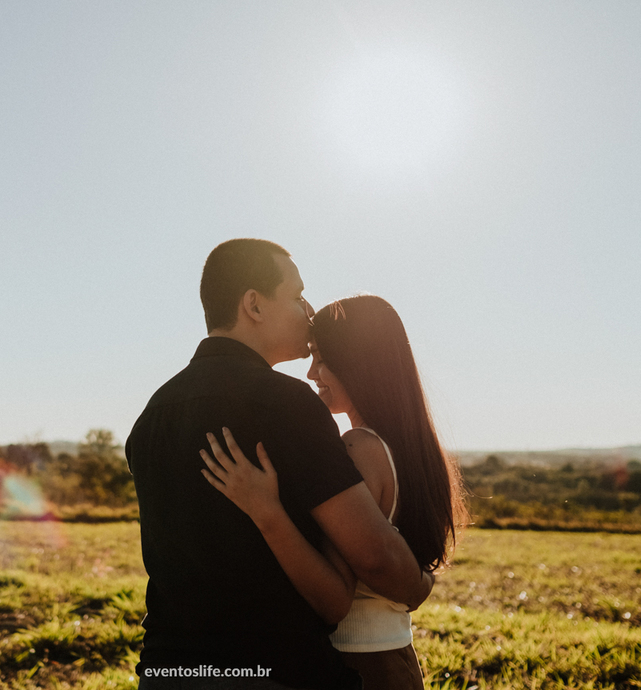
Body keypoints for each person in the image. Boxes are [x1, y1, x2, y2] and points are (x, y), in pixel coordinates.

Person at [126, 240, 433, 690]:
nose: (306, 311)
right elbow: (370, 559)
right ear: (253, 304)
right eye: (295, 296)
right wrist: (420, 586)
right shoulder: (288, 406)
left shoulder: (153, 414)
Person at [200, 295, 466, 690]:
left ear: (360, 364)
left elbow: (341, 587)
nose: (311, 372)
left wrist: (266, 509)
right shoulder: (411, 449)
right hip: (396, 658)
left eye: (322, 358)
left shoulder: (359, 447)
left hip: (358, 664)